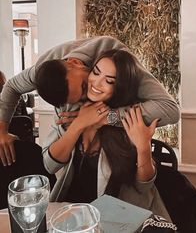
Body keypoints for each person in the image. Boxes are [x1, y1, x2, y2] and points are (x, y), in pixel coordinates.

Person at [0, 36, 180, 166]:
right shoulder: (42, 71)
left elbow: (170, 109)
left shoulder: (116, 60)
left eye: (85, 87)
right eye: (77, 101)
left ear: (74, 63)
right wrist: (2, 131)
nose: (86, 102)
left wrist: (106, 116)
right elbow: (11, 87)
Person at [43, 49, 170, 219]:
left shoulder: (127, 118)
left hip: (118, 217)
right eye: (95, 72)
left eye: (109, 81)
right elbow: (50, 166)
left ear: (119, 87)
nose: (96, 83)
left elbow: (143, 186)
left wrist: (143, 148)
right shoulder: (69, 110)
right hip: (72, 214)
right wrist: (80, 124)